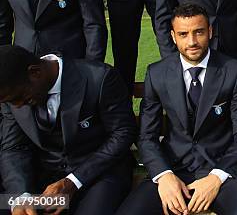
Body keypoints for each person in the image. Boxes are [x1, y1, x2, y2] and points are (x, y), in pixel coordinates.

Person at [117, 3, 237, 215]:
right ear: (173, 36)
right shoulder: (157, 74)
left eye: (199, 32)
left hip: (222, 169)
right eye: (183, 34)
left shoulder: (234, 71)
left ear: (210, 32)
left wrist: (216, 177)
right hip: (174, 170)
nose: (192, 41)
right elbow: (146, 137)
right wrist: (164, 175)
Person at [0, 45, 137, 215]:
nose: (18, 105)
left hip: (97, 176)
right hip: (42, 178)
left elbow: (122, 133)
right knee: (8, 206)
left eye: (19, 97)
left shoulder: (99, 77)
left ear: (35, 72)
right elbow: (14, 147)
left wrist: (73, 181)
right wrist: (21, 195)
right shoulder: (11, 94)